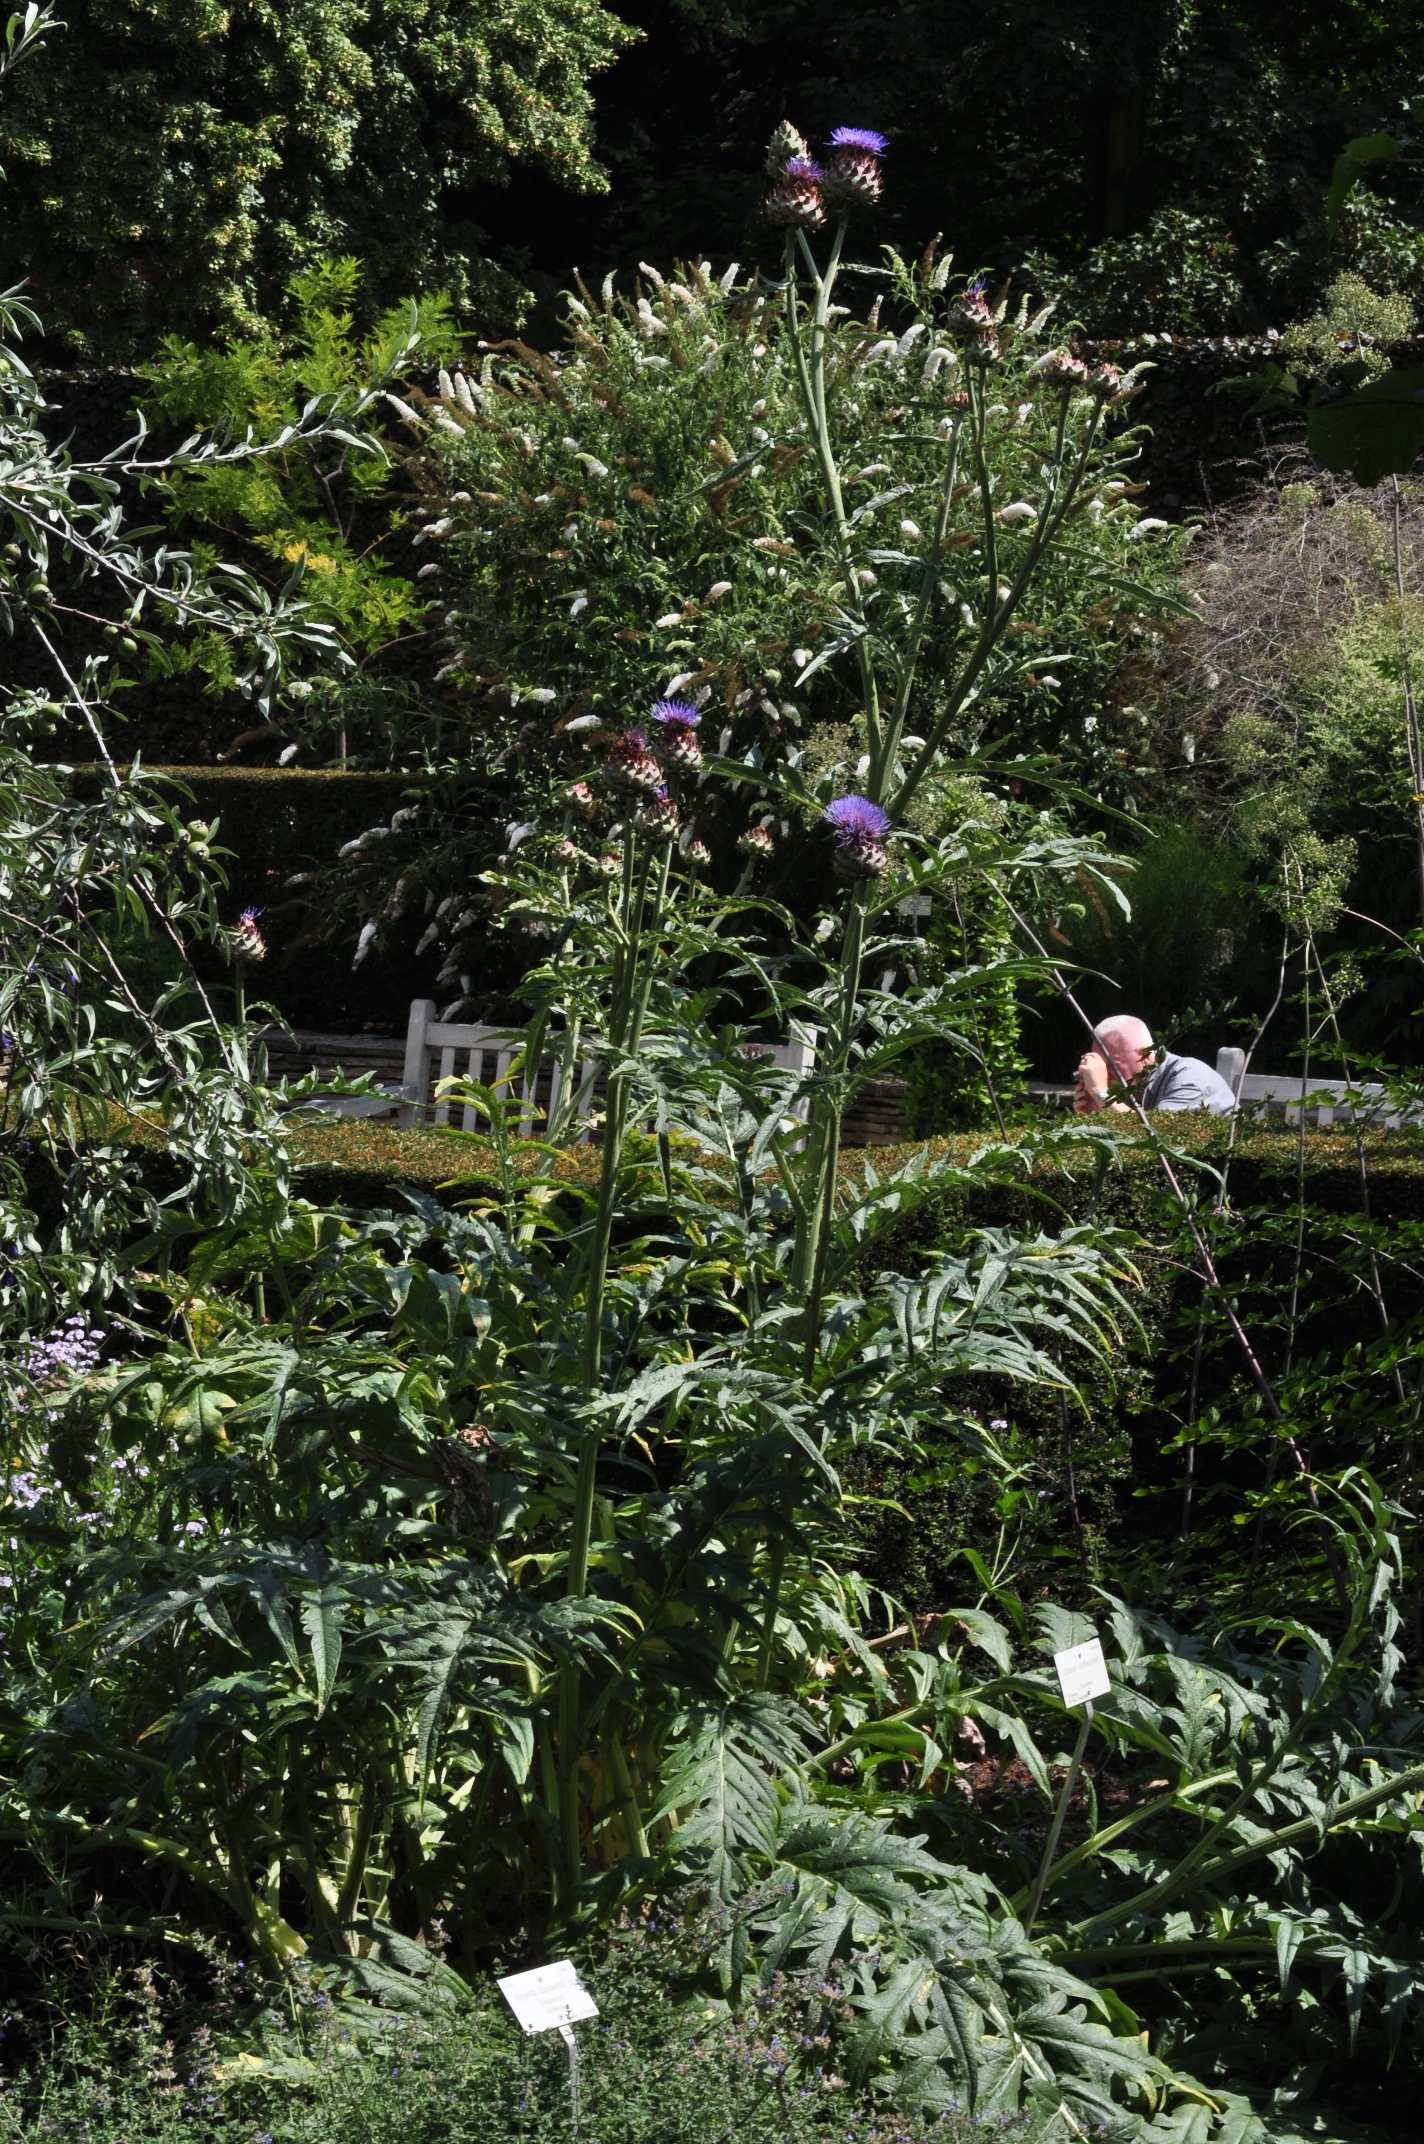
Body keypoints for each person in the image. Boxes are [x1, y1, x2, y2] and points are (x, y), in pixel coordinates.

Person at [1072, 1014, 1236, 1115]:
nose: (1102, 1073)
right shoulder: (1131, 1089)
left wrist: (1101, 1093)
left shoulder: (1191, 1077)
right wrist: (1095, 1113)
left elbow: (1156, 1137)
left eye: (1109, 1064)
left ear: (1145, 1055)